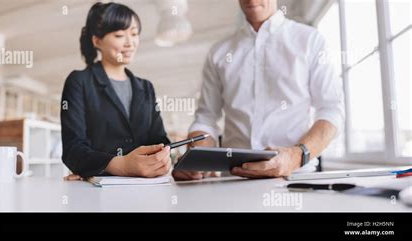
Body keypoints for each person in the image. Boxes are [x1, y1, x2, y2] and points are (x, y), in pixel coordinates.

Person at [173, 0, 344, 180]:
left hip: (295, 177)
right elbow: (206, 118)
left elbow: (331, 109)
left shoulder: (310, 40)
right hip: (233, 180)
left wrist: (295, 156)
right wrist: (198, 158)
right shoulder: (219, 52)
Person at [61, 2, 171, 180]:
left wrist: (166, 157)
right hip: (100, 190)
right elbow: (73, 149)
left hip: (146, 188)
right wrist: (122, 165)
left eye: (134, 34)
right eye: (120, 35)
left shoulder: (146, 87)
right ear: (97, 41)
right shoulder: (80, 81)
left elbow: (159, 139)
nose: (130, 43)